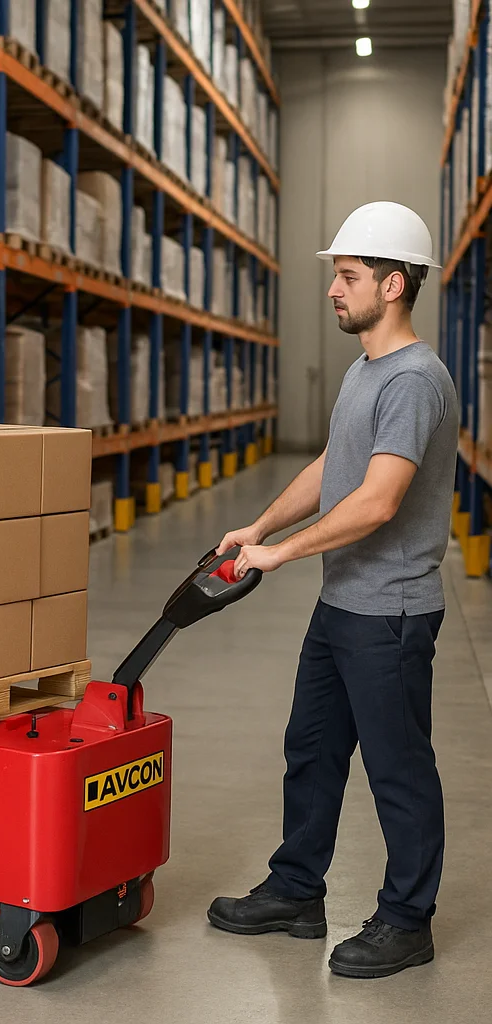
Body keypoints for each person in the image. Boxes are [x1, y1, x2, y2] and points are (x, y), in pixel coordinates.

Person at [207, 202, 460, 979]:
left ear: (392, 285)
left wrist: (283, 555)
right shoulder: (365, 371)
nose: (333, 291)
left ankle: (407, 920)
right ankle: (295, 891)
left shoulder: (416, 379)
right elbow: (333, 468)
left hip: (390, 615)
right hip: (343, 603)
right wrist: (259, 527)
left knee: (397, 768)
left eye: (347, 277)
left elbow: (379, 499)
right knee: (312, 751)